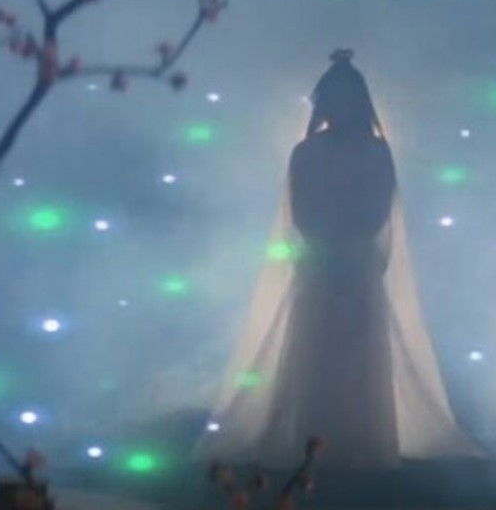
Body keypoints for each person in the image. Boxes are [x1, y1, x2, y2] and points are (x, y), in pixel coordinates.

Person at [197, 49, 481, 470]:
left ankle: (361, 441)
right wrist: (331, 241)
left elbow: (379, 209)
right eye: (335, 100)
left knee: (359, 353)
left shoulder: (376, 152)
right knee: (317, 349)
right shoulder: (307, 153)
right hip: (323, 264)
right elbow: (301, 211)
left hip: (357, 264)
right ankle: (313, 436)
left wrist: (348, 240)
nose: (340, 108)